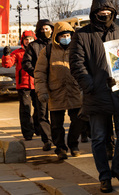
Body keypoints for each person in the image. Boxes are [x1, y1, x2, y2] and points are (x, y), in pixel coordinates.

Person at [69, 0, 119, 194]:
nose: (104, 14)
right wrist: (90, 85)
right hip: (96, 94)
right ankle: (104, 176)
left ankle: (118, 168)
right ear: (93, 12)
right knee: (98, 138)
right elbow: (76, 64)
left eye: (108, 11)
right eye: (100, 11)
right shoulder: (82, 35)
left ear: (113, 12)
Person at [35, 22, 83, 160]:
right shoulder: (48, 51)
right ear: (56, 36)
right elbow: (40, 73)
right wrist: (41, 91)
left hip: (75, 92)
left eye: (68, 35)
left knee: (78, 121)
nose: (66, 38)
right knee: (56, 125)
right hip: (55, 92)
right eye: (63, 36)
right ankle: (60, 148)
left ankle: (74, 145)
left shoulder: (77, 49)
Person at [21, 18, 54, 150]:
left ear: (51, 29)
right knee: (42, 113)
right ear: (39, 31)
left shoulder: (56, 44)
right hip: (41, 85)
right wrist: (37, 73)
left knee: (57, 114)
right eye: (42, 29)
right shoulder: (33, 46)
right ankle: (47, 140)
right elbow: (26, 63)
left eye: (47, 28)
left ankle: (58, 140)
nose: (45, 31)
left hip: (58, 84)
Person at [2, 31, 39, 141]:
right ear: (22, 40)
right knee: (25, 110)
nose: (28, 41)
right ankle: (27, 133)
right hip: (23, 85)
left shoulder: (39, 51)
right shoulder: (17, 52)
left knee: (40, 108)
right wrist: (6, 55)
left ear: (34, 39)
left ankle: (38, 128)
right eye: (26, 39)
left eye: (30, 39)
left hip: (37, 83)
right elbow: (7, 64)